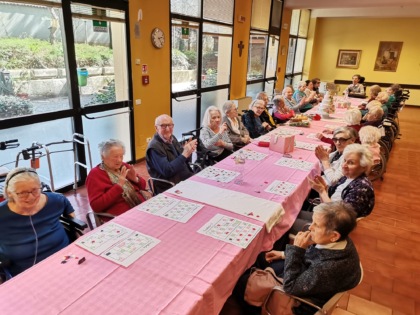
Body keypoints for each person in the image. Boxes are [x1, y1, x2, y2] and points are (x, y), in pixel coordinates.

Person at [233, 201, 362, 315]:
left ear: (334, 236)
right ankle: (256, 285)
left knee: (240, 282)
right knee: (262, 258)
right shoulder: (341, 242)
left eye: (316, 225)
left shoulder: (327, 268)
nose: (310, 227)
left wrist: (297, 250)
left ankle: (255, 308)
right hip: (309, 280)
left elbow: (290, 287)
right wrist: (284, 254)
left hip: (301, 303)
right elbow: (314, 256)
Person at [0, 167, 75, 277]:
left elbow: (72, 217)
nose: (30, 197)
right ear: (9, 193)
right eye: (23, 193)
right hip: (24, 272)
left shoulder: (56, 200)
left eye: (35, 190)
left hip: (64, 260)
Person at [309, 143, 375, 217]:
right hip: (326, 213)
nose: (344, 165)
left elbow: (339, 217)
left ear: (363, 167)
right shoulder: (348, 177)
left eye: (351, 163)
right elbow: (330, 201)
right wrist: (325, 189)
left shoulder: (361, 188)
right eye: (344, 160)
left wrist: (322, 191)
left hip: (332, 224)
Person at [86, 139, 148, 217]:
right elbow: (96, 206)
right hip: (120, 216)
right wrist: (119, 185)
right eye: (115, 157)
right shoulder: (95, 175)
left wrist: (135, 179)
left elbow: (143, 186)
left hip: (140, 207)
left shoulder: (124, 166)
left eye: (121, 156)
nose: (119, 160)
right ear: (103, 157)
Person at [146, 114, 197, 194]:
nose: (167, 129)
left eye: (170, 125)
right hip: (170, 185)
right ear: (156, 128)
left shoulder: (172, 138)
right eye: (163, 126)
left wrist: (189, 151)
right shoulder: (154, 147)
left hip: (184, 177)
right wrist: (184, 154)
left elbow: (183, 160)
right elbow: (168, 171)